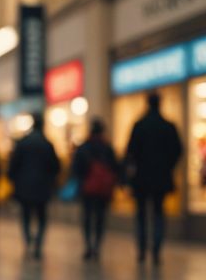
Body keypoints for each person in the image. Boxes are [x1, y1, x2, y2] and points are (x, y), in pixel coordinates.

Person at [125, 91, 182, 265]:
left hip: (141, 178)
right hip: (161, 177)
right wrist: (168, 167)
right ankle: (156, 249)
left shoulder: (139, 125)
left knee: (141, 214)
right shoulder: (168, 126)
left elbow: (130, 153)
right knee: (158, 212)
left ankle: (142, 249)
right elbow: (178, 150)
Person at [8, 113, 60, 260]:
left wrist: (13, 180)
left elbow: (14, 165)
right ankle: (38, 242)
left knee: (25, 215)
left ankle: (28, 240)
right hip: (42, 186)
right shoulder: (47, 144)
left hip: (24, 186)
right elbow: (56, 166)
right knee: (42, 216)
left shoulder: (23, 143)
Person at [72, 119, 119, 260]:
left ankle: (88, 245)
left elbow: (76, 168)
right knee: (100, 218)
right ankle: (97, 246)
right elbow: (115, 167)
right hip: (103, 190)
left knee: (87, 217)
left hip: (87, 188)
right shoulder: (107, 147)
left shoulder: (84, 147)